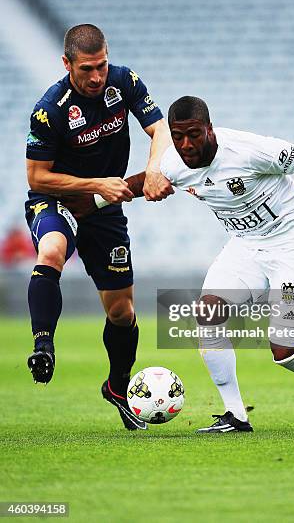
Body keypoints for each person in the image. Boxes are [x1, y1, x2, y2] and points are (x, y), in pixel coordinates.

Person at [65, 96, 294, 433]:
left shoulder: (247, 150)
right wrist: (92, 202)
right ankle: (236, 415)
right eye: (177, 136)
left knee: (286, 350)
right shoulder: (175, 162)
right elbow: (143, 182)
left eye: (194, 134)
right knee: (208, 314)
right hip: (246, 246)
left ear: (210, 128)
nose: (186, 144)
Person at [25, 24, 173, 431]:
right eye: (88, 68)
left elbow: (159, 129)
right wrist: (94, 184)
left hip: (105, 208)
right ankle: (43, 346)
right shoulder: (50, 109)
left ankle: (118, 386)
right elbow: (37, 178)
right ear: (67, 63)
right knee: (52, 249)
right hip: (59, 200)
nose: (97, 77)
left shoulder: (124, 81)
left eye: (102, 66)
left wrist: (157, 169)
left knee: (123, 312)